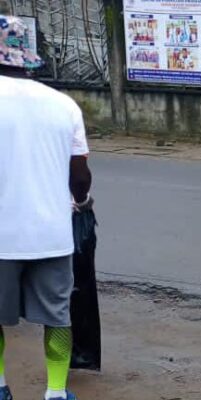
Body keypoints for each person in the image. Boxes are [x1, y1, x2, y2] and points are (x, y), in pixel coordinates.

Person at [0, 15, 93, 400]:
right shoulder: (64, 105)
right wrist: (80, 202)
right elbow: (80, 175)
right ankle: (55, 392)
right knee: (57, 317)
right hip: (53, 235)